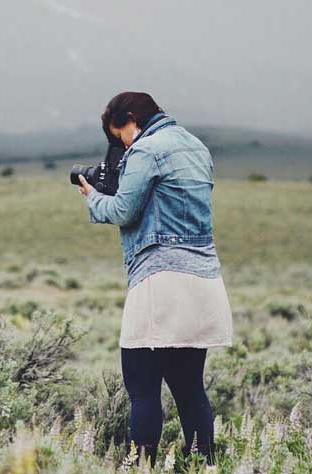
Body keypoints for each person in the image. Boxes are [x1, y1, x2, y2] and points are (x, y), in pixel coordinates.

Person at [76, 92, 232, 465]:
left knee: (142, 389)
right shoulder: (196, 146)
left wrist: (92, 196)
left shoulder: (147, 150)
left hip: (160, 280)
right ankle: (204, 466)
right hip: (204, 280)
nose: (123, 145)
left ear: (133, 118)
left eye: (122, 135)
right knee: (190, 389)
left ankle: (141, 466)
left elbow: (124, 210)